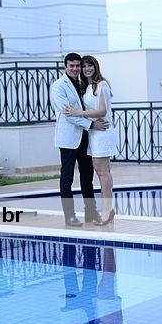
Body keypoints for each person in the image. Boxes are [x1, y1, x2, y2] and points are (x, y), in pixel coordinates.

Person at [50, 53, 108, 227]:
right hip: (68, 139)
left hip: (85, 138)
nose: (75, 69)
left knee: (87, 177)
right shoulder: (58, 86)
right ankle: (69, 215)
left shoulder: (84, 83)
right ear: (65, 66)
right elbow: (68, 114)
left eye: (77, 66)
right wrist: (92, 125)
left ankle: (91, 212)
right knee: (67, 178)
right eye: (72, 66)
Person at [64, 55, 118, 226]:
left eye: (90, 65)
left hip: (102, 132)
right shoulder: (87, 87)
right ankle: (107, 210)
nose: (87, 69)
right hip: (94, 132)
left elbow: (102, 111)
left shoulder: (102, 85)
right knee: (100, 170)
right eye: (84, 66)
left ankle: (107, 211)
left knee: (103, 172)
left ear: (96, 67)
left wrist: (78, 113)